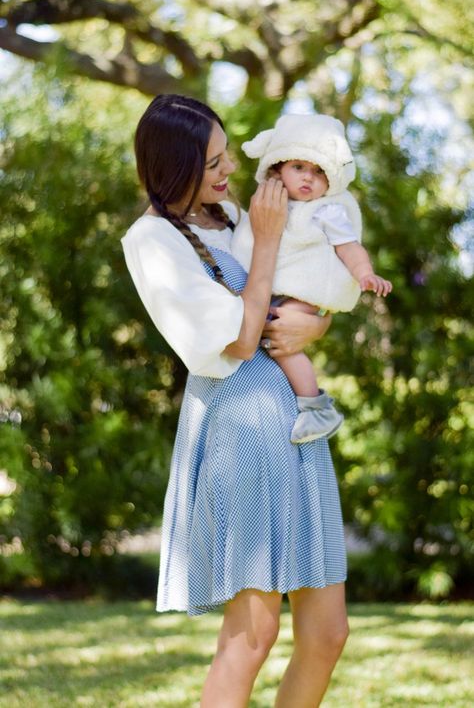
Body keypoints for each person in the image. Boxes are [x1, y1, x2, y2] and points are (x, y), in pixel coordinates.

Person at [121, 94, 349, 708]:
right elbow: (242, 339)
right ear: (172, 168)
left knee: (328, 634)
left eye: (227, 156)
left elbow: (300, 296)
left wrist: (316, 326)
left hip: (296, 428)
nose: (229, 173)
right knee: (254, 635)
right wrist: (268, 240)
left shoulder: (231, 214)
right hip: (239, 430)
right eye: (213, 163)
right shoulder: (152, 241)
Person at [232, 113, 392, 444]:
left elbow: (350, 248)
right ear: (277, 169)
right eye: (299, 168)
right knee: (271, 342)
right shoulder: (267, 202)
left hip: (301, 293)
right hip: (268, 290)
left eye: (319, 172)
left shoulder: (326, 210)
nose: (309, 178)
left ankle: (317, 407)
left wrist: (365, 274)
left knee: (284, 346)